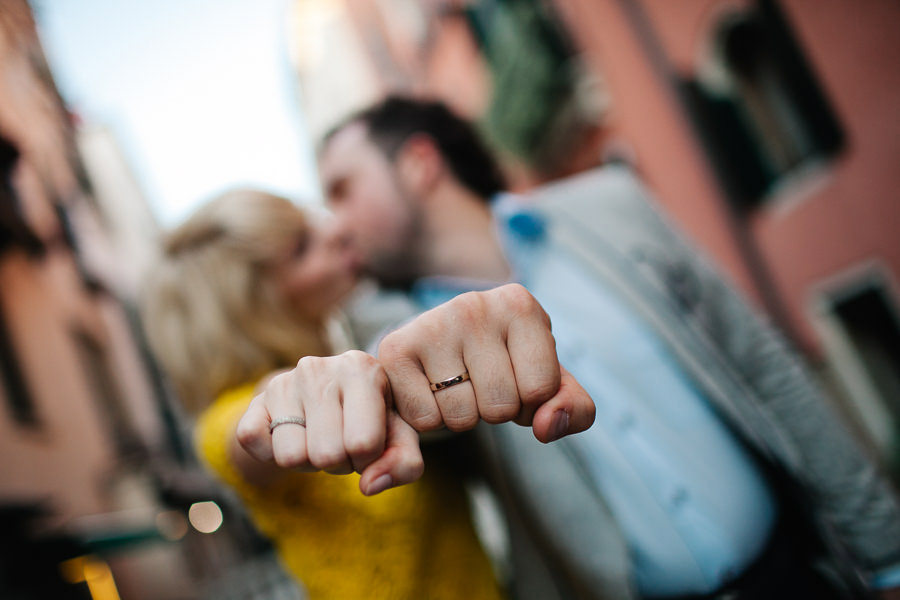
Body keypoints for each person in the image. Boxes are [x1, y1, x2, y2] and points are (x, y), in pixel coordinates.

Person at [316, 96, 900, 599]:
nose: (334, 226)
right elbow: (400, 407)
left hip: (802, 571)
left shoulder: (613, 206)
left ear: (420, 164)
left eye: (343, 189)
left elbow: (766, 370)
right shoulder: (400, 340)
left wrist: (887, 557)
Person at [141, 189, 594, 599]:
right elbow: (253, 425)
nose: (336, 230)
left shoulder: (358, 348)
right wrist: (287, 397)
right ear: (251, 307)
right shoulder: (230, 423)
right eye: (301, 248)